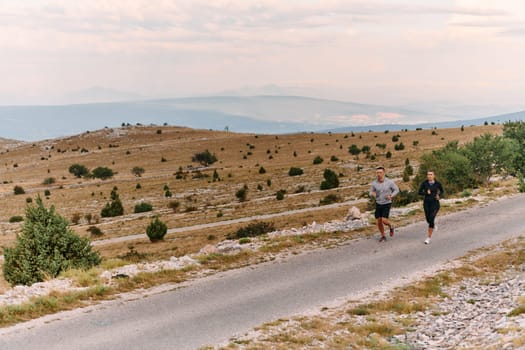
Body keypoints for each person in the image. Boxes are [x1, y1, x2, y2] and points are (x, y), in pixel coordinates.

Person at [369, 166, 399, 242]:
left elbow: (396, 190)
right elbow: (370, 192)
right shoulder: (374, 183)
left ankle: (391, 226)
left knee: (384, 220)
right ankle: (383, 236)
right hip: (378, 203)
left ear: (384, 173)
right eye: (377, 173)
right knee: (379, 221)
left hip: (387, 203)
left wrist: (391, 196)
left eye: (380, 172)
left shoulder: (389, 182)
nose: (379, 174)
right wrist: (373, 193)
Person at [418, 170, 444, 244]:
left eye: (431, 174)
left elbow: (442, 191)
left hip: (435, 203)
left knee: (431, 219)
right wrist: (426, 192)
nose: (429, 176)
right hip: (426, 203)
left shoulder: (437, 183)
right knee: (428, 220)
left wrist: (439, 195)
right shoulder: (424, 183)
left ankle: (428, 238)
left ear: (434, 175)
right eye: (428, 174)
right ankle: (433, 224)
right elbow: (419, 192)